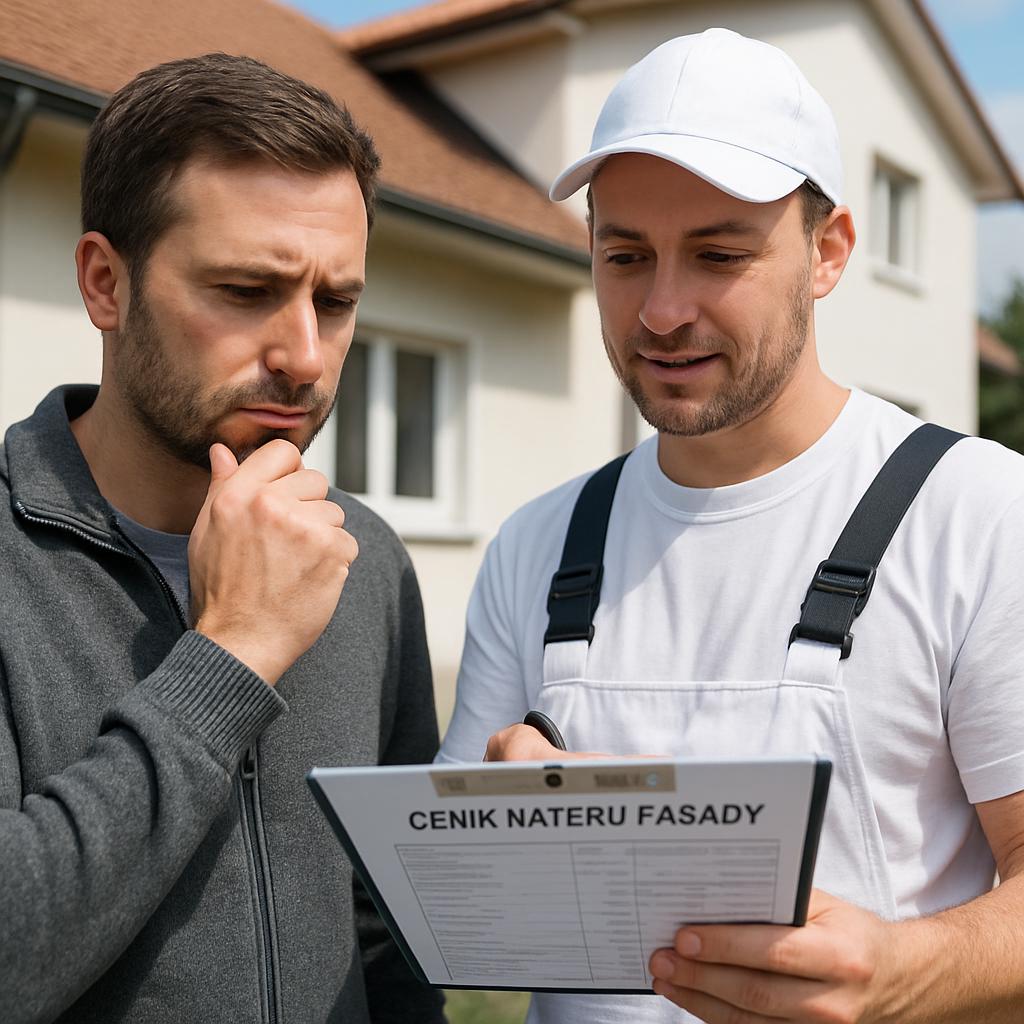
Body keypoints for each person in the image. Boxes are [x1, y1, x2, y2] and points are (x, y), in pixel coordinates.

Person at [440, 27, 1024, 1024]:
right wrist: (510, 828)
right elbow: (461, 904)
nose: (662, 311)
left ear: (829, 250)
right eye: (625, 254)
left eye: (718, 255)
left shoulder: (978, 512)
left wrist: (899, 973)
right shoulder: (538, 544)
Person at [0, 54, 446, 1024]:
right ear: (105, 282)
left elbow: (385, 927)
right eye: (246, 290)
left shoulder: (360, 557)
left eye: (335, 302)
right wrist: (232, 655)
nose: (304, 355)